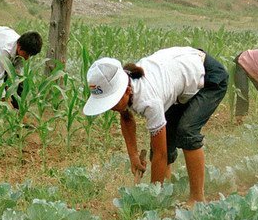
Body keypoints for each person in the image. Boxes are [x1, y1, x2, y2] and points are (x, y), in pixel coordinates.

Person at [83, 46, 229, 204]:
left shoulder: (149, 100)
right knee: (166, 137)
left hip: (209, 76)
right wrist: (133, 156)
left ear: (126, 90)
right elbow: (126, 116)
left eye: (112, 102)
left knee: (186, 130)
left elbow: (161, 154)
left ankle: (197, 199)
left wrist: (152, 199)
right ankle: (167, 192)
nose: (112, 108)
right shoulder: (127, 88)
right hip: (180, 77)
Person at [0, 26, 42, 107]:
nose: (27, 58)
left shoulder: (25, 48)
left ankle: (19, 109)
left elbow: (16, 74)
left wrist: (11, 88)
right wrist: (6, 103)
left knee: (19, 84)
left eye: (30, 55)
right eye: (26, 54)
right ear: (19, 46)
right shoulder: (5, 50)